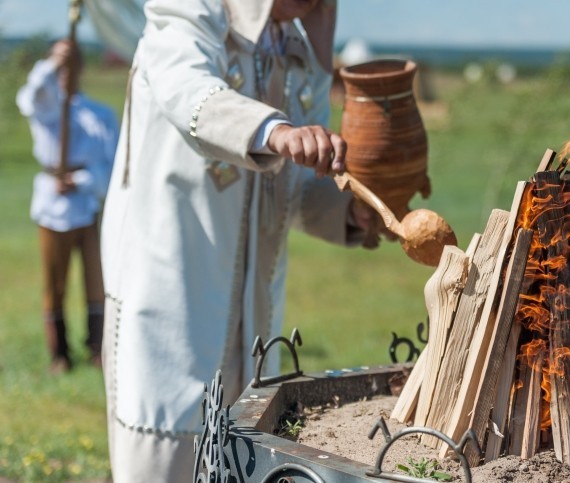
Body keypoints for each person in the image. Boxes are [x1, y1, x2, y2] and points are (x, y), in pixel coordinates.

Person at [99, 0, 371, 480]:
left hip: (253, 310)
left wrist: (351, 212)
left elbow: (293, 189)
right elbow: (188, 90)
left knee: (242, 456)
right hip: (170, 284)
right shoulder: (187, 10)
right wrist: (277, 130)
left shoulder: (293, 48)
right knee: (164, 461)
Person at [16, 39, 119, 374]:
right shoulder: (46, 107)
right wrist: (52, 63)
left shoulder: (100, 115)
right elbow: (30, 97)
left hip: (87, 206)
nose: (66, 70)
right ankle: (59, 353)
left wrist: (82, 181)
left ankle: (97, 348)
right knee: (55, 282)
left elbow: (113, 164)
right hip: (52, 206)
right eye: (61, 63)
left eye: (72, 62)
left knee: (96, 280)